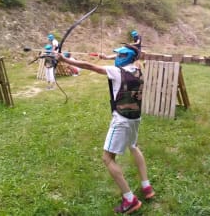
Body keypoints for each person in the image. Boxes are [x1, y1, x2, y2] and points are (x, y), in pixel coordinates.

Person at [57, 45, 154, 214]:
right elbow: (127, 59)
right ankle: (147, 187)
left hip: (122, 120)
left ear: (125, 56)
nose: (116, 56)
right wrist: (106, 57)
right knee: (133, 146)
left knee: (107, 158)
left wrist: (65, 59)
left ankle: (130, 199)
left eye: (119, 54)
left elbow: (89, 66)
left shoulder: (117, 72)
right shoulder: (138, 69)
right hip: (135, 117)